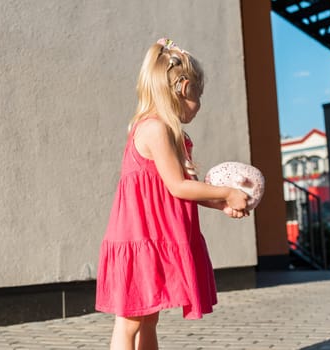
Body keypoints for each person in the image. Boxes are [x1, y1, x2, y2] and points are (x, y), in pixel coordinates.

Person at [95, 38, 249, 350]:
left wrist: (222, 203)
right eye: (198, 94)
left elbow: (183, 191)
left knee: (149, 317)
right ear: (181, 87)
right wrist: (227, 193)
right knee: (130, 321)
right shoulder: (154, 129)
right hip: (139, 238)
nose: (200, 103)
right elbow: (178, 186)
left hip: (155, 238)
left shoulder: (174, 134)